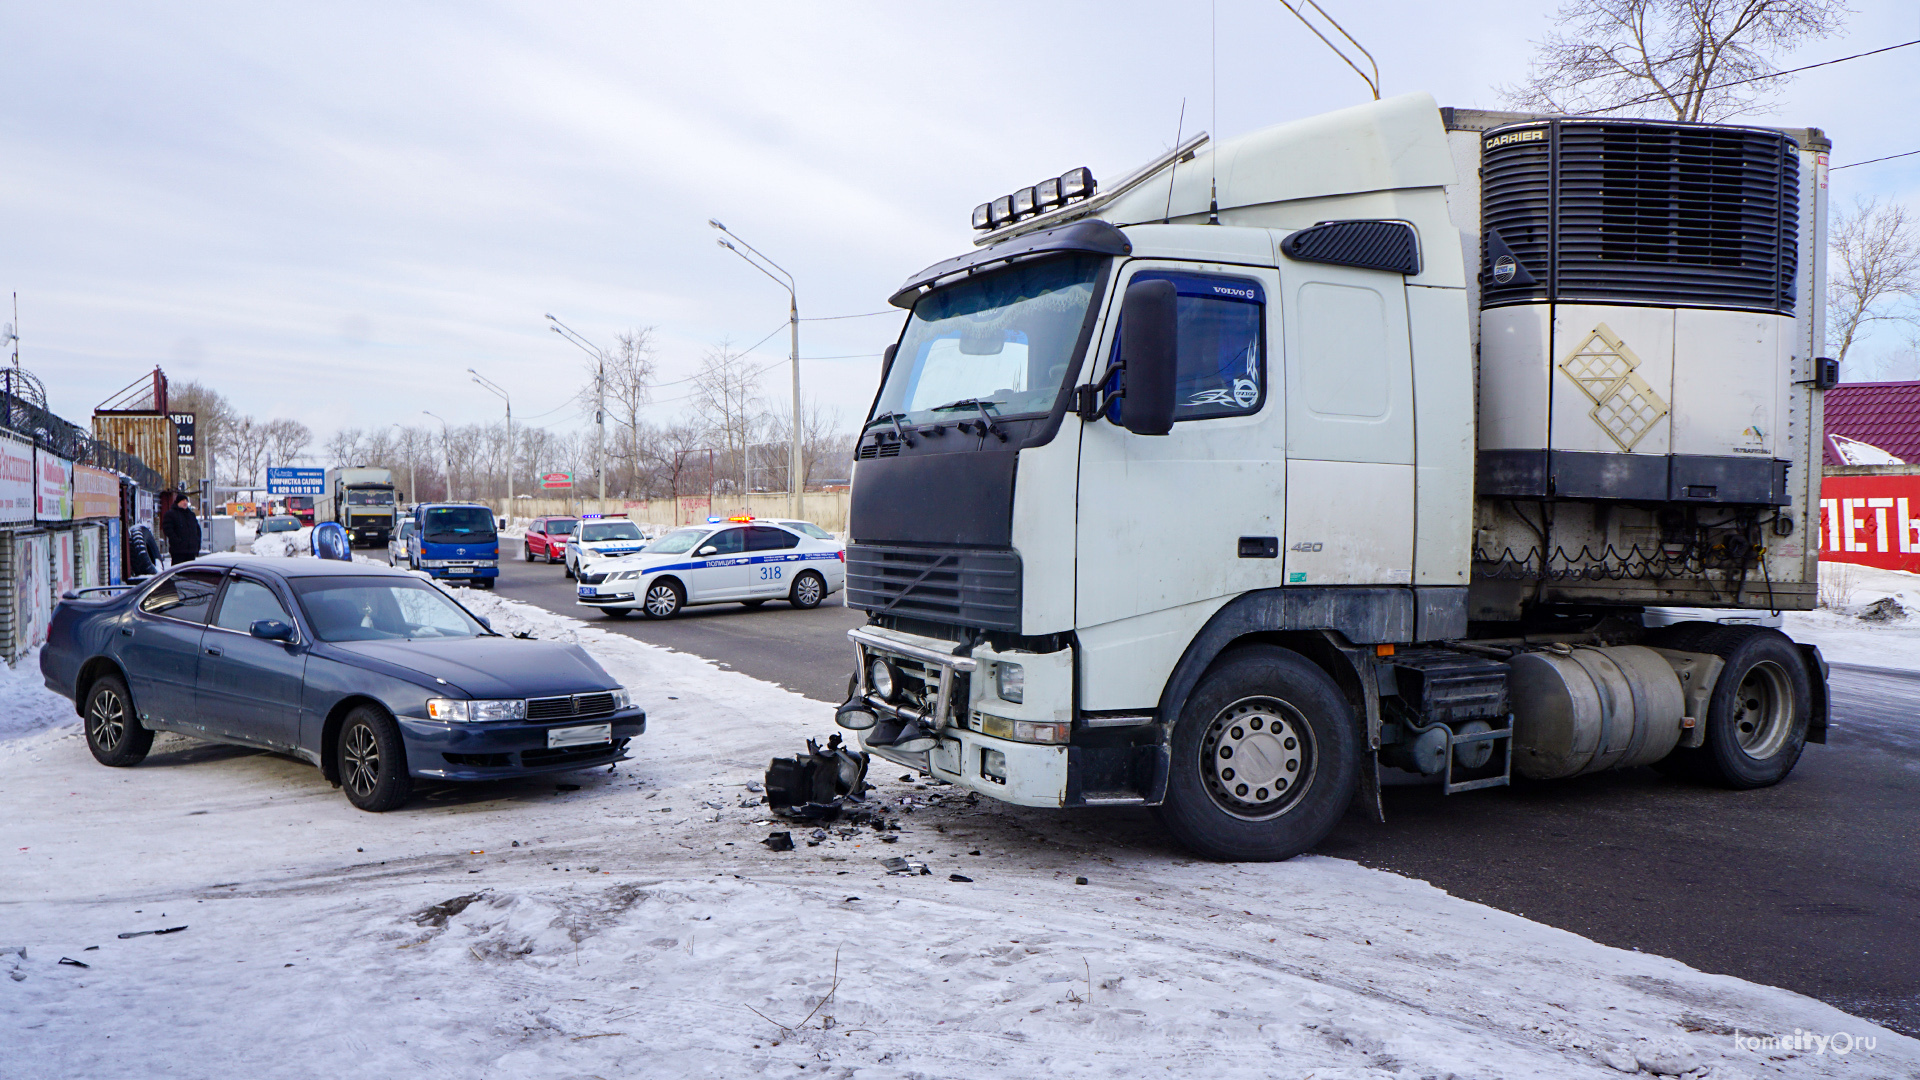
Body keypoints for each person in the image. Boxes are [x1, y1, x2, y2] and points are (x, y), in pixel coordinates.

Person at [160, 490, 202, 565]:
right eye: (183, 500)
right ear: (178, 502)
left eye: (186, 501)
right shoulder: (171, 514)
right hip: (178, 551)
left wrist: (197, 543)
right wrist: (177, 541)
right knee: (178, 572)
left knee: (190, 573)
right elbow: (168, 529)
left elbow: (197, 530)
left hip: (191, 551)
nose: (185, 502)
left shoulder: (191, 515)